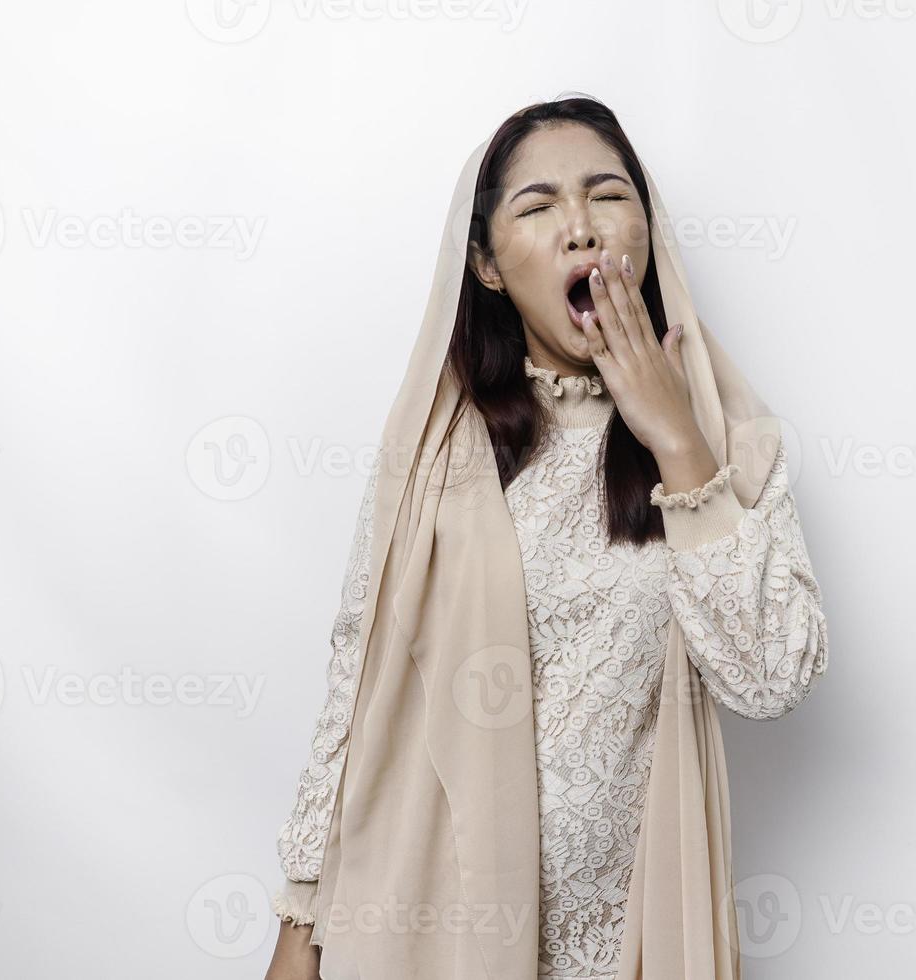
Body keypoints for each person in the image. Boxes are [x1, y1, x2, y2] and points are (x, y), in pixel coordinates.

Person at [263, 95, 828, 980]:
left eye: (608, 196)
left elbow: (770, 678)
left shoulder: (728, 437)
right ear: (486, 262)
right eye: (538, 206)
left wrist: (675, 437)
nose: (581, 231)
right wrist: (300, 926)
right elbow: (354, 684)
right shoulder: (432, 453)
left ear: (648, 230)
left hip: (627, 940)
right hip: (428, 926)